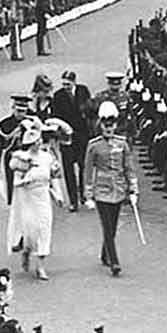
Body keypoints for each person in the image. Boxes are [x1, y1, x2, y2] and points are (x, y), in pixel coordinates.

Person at [84, 102, 139, 277]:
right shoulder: (94, 145)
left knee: (113, 226)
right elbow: (88, 171)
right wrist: (88, 196)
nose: (108, 128)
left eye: (111, 125)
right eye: (105, 125)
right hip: (101, 190)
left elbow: (129, 168)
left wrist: (133, 190)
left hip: (118, 190)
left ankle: (104, 253)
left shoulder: (122, 144)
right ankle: (114, 262)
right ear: (100, 125)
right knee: (107, 227)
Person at [7, 122, 61, 280]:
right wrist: (26, 180)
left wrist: (57, 194)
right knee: (30, 231)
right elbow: (16, 182)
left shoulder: (47, 158)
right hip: (28, 198)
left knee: (44, 228)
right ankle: (26, 250)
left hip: (43, 197)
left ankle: (40, 266)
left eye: (39, 140)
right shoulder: (22, 160)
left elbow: (53, 177)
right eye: (34, 142)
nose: (38, 143)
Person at [52, 71, 92, 211]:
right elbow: (55, 117)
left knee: (83, 166)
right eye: (63, 84)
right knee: (68, 169)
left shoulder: (83, 91)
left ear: (74, 82)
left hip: (82, 136)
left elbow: (89, 110)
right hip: (66, 138)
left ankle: (83, 194)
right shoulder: (58, 96)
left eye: (68, 84)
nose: (66, 87)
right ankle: (73, 201)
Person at [0, 95, 32, 208]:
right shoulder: (4, 124)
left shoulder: (31, 123)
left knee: (28, 186)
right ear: (13, 108)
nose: (20, 114)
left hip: (28, 157)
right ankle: (14, 207)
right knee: (12, 186)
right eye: (18, 111)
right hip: (12, 158)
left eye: (23, 111)